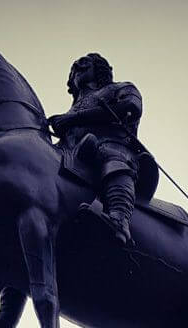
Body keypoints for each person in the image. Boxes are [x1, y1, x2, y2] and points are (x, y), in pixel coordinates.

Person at [48, 53, 143, 244]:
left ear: (99, 68)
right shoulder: (72, 108)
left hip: (113, 145)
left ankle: (119, 218)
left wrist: (73, 119)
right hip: (74, 152)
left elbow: (130, 106)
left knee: (110, 155)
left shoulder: (121, 88)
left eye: (84, 63)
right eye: (73, 67)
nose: (77, 68)